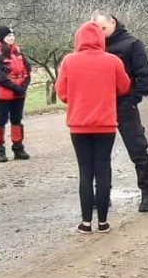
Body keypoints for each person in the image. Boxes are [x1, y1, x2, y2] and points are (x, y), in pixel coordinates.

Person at [55, 21, 131, 234]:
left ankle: (86, 222)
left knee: (85, 172)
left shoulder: (69, 61)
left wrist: (78, 100)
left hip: (79, 125)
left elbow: (61, 93)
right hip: (106, 124)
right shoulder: (113, 61)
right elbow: (124, 86)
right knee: (103, 169)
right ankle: (104, 222)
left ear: (78, 39)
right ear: (101, 39)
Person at [91, 10, 148, 212]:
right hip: (102, 106)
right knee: (100, 154)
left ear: (113, 23)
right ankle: (102, 194)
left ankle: (147, 193)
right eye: (96, 30)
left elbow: (145, 76)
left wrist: (132, 99)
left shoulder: (132, 44)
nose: (100, 34)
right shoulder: (94, 47)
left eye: (103, 28)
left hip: (124, 104)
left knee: (137, 149)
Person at [0, 26, 32, 163]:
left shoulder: (18, 52)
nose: (12, 38)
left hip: (19, 93)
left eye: (13, 35)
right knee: (1, 121)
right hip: (3, 94)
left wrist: (23, 86)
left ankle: (18, 148)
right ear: (2, 38)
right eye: (8, 36)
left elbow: (27, 70)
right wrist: (15, 87)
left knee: (17, 120)